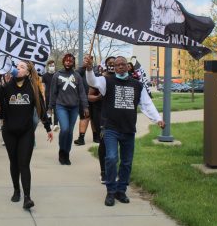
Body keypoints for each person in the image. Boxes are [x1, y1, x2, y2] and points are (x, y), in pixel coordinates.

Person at [84, 55, 165, 207]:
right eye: (116, 65)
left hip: (128, 130)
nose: (120, 66)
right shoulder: (106, 81)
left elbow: (147, 104)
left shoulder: (137, 85)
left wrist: (157, 119)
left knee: (126, 162)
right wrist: (89, 68)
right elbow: (92, 81)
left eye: (123, 64)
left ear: (128, 66)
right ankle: (110, 191)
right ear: (113, 68)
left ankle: (121, 191)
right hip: (111, 129)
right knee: (112, 158)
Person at [0, 60, 53, 210]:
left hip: (26, 132)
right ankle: (16, 190)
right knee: (13, 163)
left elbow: (41, 109)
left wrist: (48, 128)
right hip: (9, 131)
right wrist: (3, 85)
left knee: (24, 163)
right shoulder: (8, 86)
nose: (18, 69)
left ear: (27, 72)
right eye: (17, 66)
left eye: (22, 67)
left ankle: (27, 197)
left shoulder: (33, 87)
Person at [48, 53, 88, 165]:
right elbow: (53, 93)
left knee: (70, 132)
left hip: (74, 107)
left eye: (70, 61)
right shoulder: (57, 75)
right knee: (64, 129)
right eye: (66, 60)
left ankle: (67, 153)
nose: (68, 62)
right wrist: (50, 107)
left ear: (73, 63)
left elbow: (82, 93)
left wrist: (85, 106)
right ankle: (62, 150)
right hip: (61, 107)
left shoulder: (77, 76)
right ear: (63, 61)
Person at [41, 60, 59, 131]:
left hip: (56, 95)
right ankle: (50, 123)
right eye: (51, 66)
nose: (52, 67)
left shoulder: (57, 74)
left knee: (56, 110)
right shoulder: (45, 76)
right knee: (48, 110)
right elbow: (43, 86)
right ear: (48, 67)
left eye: (53, 66)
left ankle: (56, 124)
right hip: (48, 95)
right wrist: (43, 95)